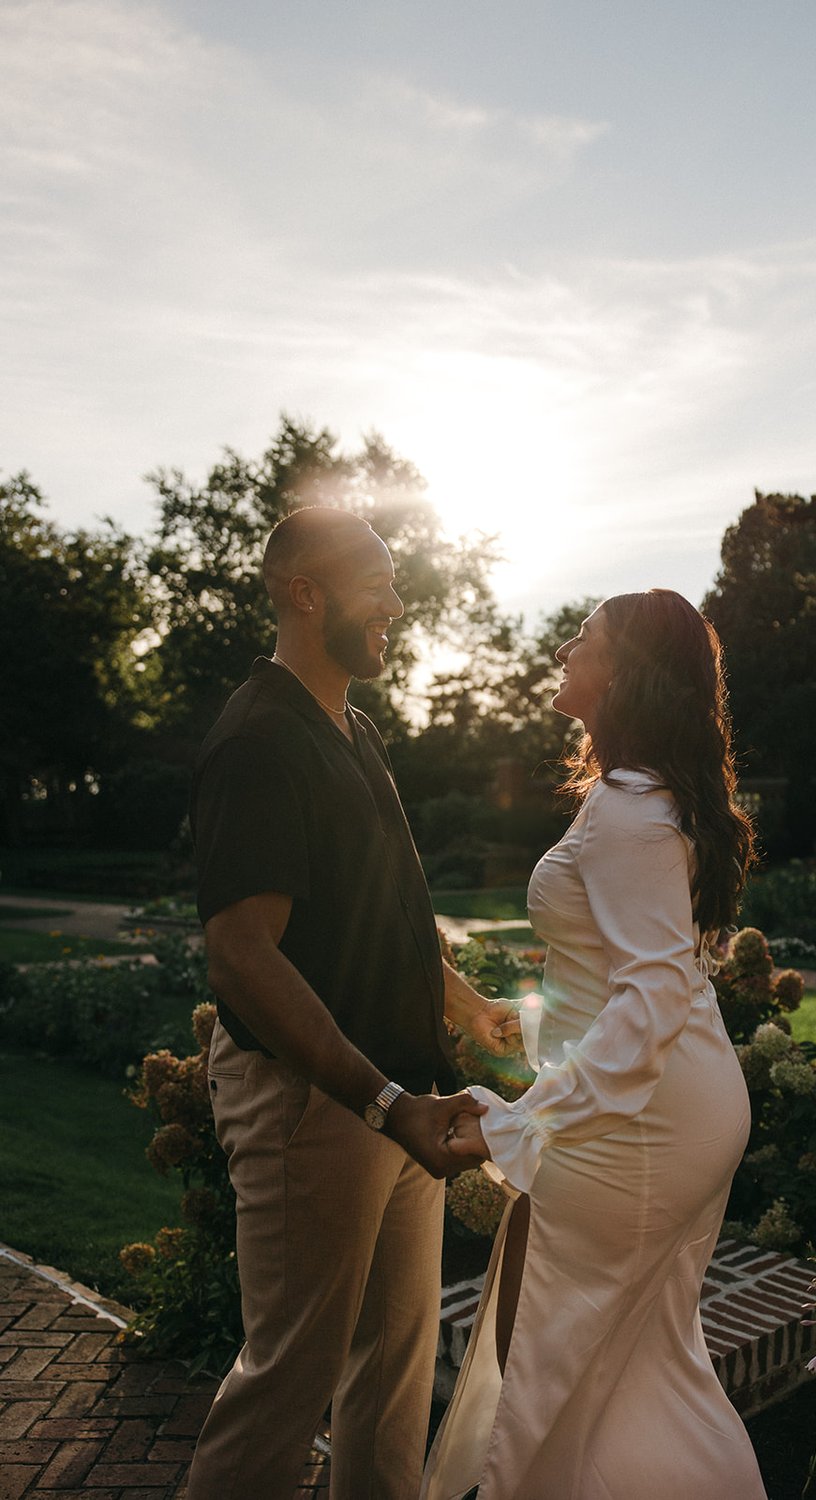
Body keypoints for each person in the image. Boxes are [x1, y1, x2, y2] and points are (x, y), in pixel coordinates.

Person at [184, 506, 519, 1500]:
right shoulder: (258, 741)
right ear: (305, 593)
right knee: (289, 1385)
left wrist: (459, 1002)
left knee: (395, 1376)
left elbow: (382, 907)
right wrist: (381, 1104)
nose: (397, 602)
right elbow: (243, 958)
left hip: (400, 1098)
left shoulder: (354, 724)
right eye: (376, 582)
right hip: (312, 1107)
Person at [423, 589, 768, 1500]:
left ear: (622, 674)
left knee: (532, 1354)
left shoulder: (630, 807)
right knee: (638, 1366)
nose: (566, 646)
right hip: (675, 1101)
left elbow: (652, 996)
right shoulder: (650, 796)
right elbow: (626, 973)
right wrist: (531, 1026)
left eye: (586, 638)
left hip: (643, 1121)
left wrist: (524, 1120)